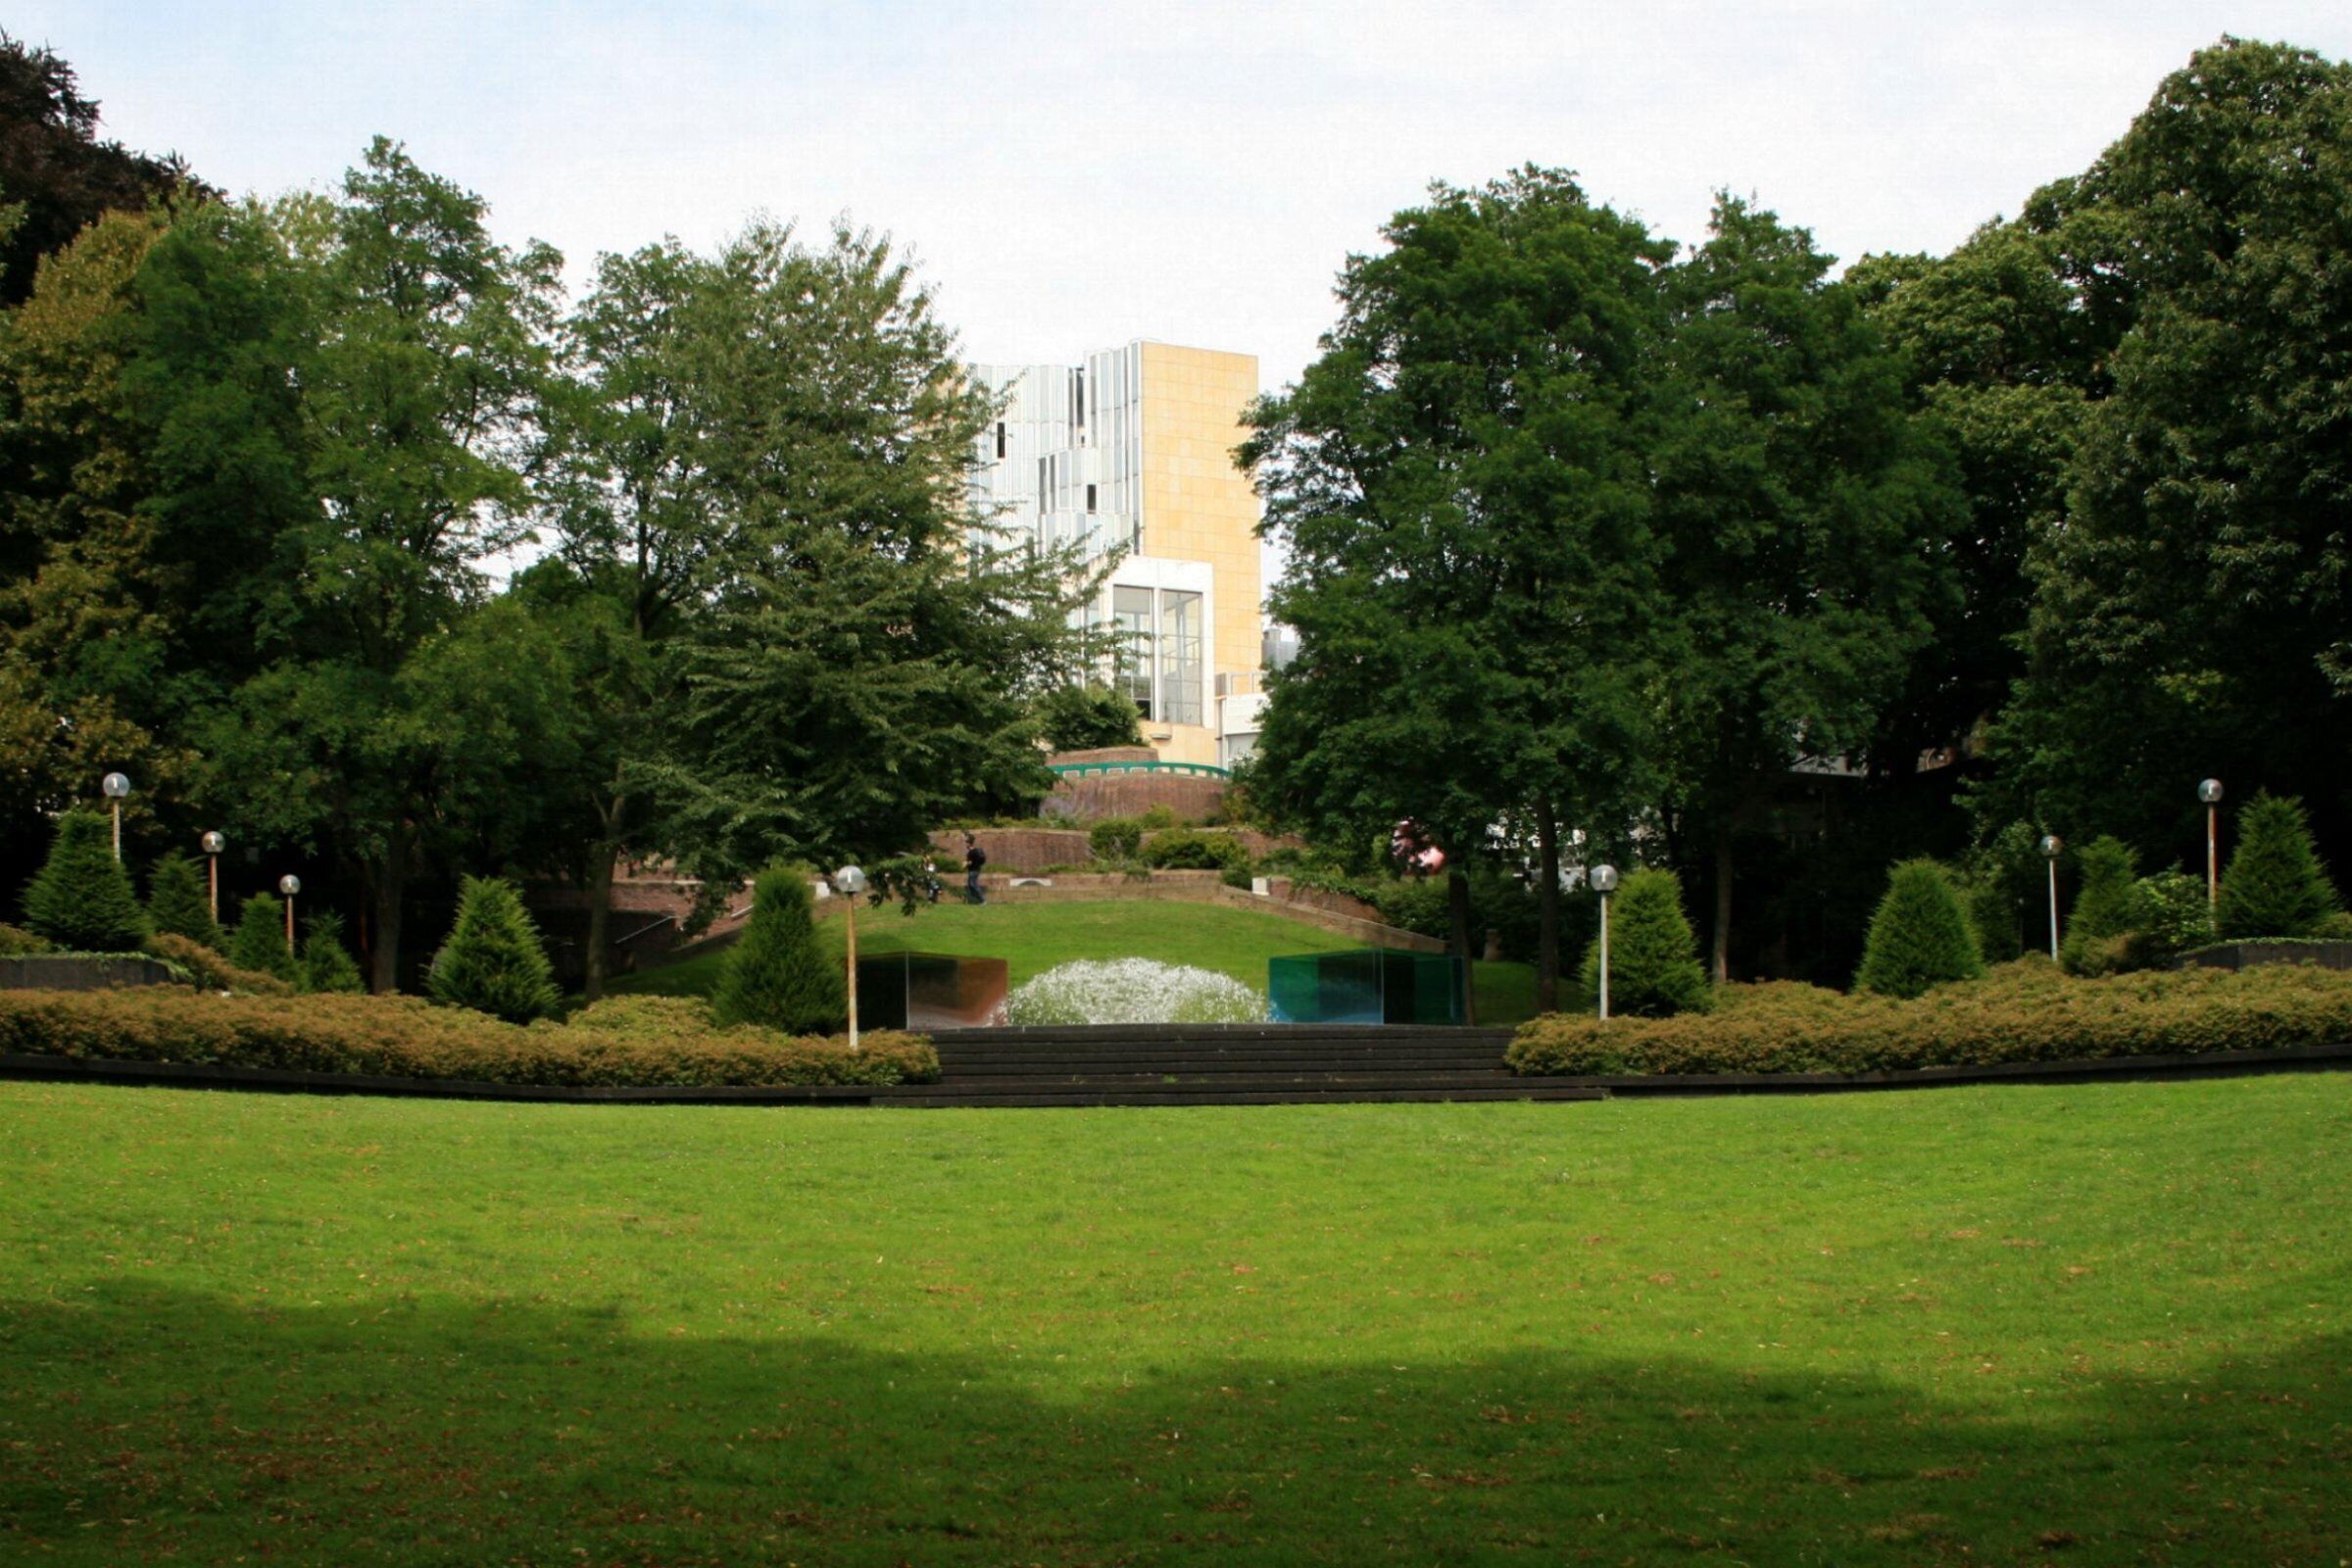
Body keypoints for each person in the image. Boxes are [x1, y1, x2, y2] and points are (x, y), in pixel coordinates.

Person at [962, 832, 987, 905]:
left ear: (969, 844)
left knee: (973, 884)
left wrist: (964, 865)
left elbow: (970, 862)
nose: (966, 845)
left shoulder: (971, 852)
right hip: (975, 870)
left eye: (967, 843)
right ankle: (974, 900)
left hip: (973, 871)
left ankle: (983, 900)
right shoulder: (975, 851)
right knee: (971, 885)